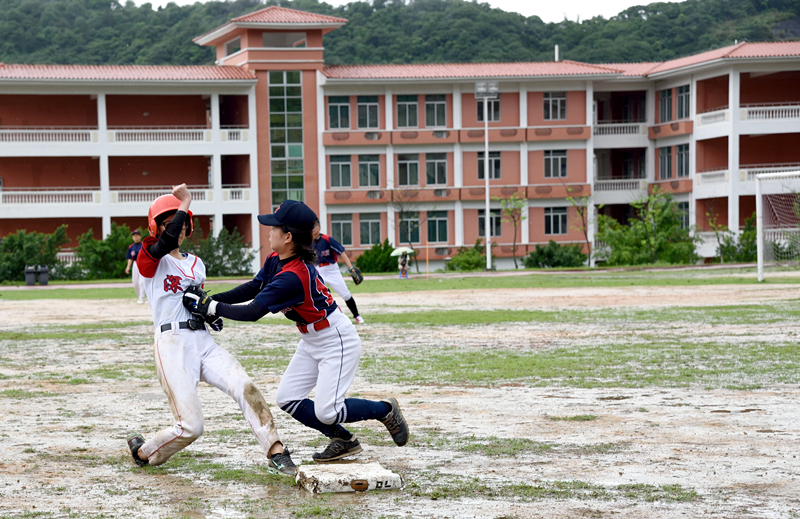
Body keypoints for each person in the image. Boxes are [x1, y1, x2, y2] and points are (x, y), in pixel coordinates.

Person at [185, 200, 408, 462]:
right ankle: (343, 440)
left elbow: (253, 311)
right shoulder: (277, 259)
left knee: (328, 411)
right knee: (287, 398)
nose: (269, 232)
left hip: (335, 339)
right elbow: (253, 287)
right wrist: (212, 300)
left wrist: (211, 307)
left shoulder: (294, 275)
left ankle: (385, 410)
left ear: (288, 237)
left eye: (274, 228)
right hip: (311, 338)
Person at [125, 184, 296, 476]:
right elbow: (166, 242)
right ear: (156, 228)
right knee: (191, 426)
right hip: (171, 344)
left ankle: (276, 451)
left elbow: (195, 303)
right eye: (169, 223)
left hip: (202, 341)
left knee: (245, 386)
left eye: (181, 222)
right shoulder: (150, 257)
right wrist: (185, 202)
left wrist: (208, 313)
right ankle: (143, 451)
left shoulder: (197, 264)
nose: (178, 228)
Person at [311, 220, 365, 324]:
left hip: (331, 269)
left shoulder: (327, 239)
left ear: (319, 227)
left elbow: (341, 252)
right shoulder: (308, 241)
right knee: (314, 295)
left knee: (345, 294)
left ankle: (357, 315)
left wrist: (350, 267)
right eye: (311, 226)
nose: (312, 228)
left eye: (314, 226)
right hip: (317, 269)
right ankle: (318, 318)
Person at [125, 229, 146, 304]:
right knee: (135, 282)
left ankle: (142, 298)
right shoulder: (131, 247)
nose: (136, 237)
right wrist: (128, 267)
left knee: (141, 282)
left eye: (137, 235)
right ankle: (139, 297)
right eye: (134, 235)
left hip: (143, 263)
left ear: (140, 236)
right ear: (132, 237)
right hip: (135, 263)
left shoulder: (143, 245)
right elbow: (130, 258)